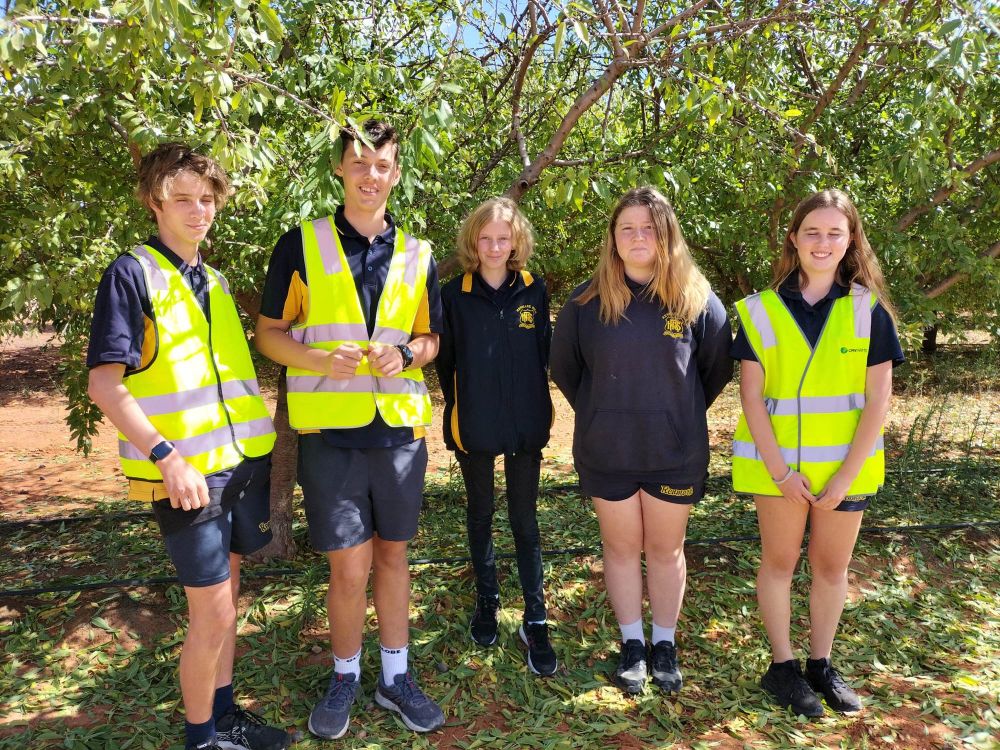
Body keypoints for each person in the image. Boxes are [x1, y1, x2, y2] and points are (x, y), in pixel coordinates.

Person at [87, 143, 292, 750]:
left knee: (227, 598)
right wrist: (165, 456)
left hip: (234, 468)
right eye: (183, 199)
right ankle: (201, 738)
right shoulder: (132, 274)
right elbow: (105, 386)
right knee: (213, 614)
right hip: (183, 475)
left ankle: (223, 716)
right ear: (155, 202)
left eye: (207, 199)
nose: (198, 211)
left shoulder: (215, 280)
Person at [255, 120, 445, 739]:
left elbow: (431, 336)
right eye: (359, 163)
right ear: (339, 169)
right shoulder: (302, 244)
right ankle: (345, 676)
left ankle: (396, 676)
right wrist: (316, 359)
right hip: (331, 436)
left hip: (398, 435)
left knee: (394, 556)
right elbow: (269, 334)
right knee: (347, 567)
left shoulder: (418, 254)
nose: (371, 175)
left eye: (383, 165)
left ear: (396, 173)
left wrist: (411, 355)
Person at [550, 186, 732, 695]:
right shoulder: (586, 300)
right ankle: (632, 644)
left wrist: (677, 415)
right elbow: (565, 369)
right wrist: (601, 413)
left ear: (665, 235)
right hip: (607, 451)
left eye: (648, 228)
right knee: (622, 546)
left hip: (674, 454)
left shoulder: (697, 298)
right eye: (626, 228)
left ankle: (664, 644)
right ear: (612, 237)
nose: (637, 237)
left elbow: (714, 371)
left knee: (666, 547)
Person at [730, 189, 904, 717]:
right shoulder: (759, 311)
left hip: (843, 473)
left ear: (850, 240)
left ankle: (820, 665)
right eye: (812, 232)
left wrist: (847, 476)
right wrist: (781, 473)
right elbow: (752, 398)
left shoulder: (868, 311)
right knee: (779, 563)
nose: (823, 242)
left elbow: (878, 401)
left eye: (835, 232)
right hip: (777, 471)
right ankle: (781, 668)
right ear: (794, 239)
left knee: (832, 568)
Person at [435, 197, 557, 676]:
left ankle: (536, 616)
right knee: (480, 514)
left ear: (516, 243)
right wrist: (466, 409)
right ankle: (487, 601)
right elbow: (446, 366)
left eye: (502, 238)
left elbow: (543, 354)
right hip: (476, 425)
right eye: (485, 238)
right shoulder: (453, 294)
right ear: (473, 242)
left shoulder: (535, 289)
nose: (493, 246)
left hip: (526, 423)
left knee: (524, 521)